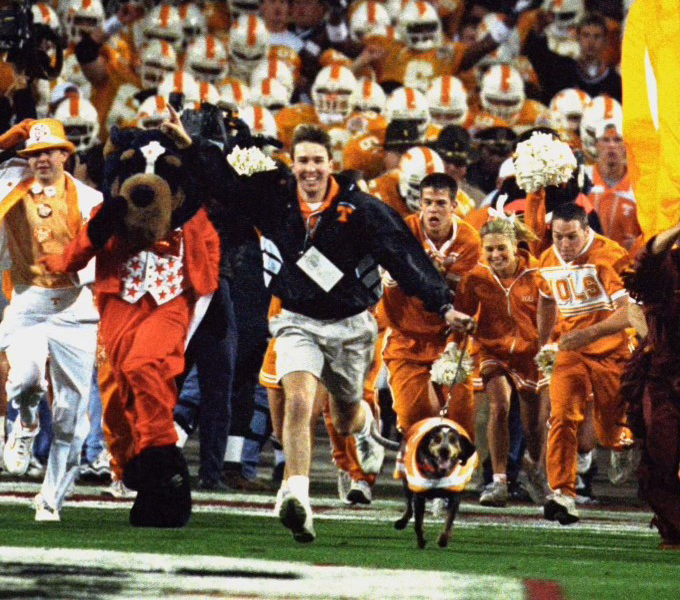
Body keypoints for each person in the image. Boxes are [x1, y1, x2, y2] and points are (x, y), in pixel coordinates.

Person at [183, 121, 473, 542]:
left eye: (317, 160)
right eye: (302, 160)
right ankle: (297, 497)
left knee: (345, 415)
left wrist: (443, 305)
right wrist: (189, 145)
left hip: (350, 326)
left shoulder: (361, 208)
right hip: (296, 320)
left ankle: (366, 427)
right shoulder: (275, 200)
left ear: (331, 163)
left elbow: (403, 256)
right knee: (299, 403)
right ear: (292, 164)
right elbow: (224, 185)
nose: (310, 169)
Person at [0, 118, 102, 521]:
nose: (41, 159)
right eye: (33, 153)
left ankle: (50, 499)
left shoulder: (90, 199)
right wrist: (7, 139)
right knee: (26, 380)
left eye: (48, 151)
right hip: (28, 301)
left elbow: (104, 259)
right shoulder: (6, 179)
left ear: (66, 153)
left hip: (75, 307)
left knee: (71, 418)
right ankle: (26, 424)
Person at [536, 202, 632, 525]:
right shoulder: (548, 259)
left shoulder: (610, 256)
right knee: (561, 415)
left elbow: (629, 313)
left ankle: (620, 442)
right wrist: (544, 343)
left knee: (609, 430)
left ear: (586, 231)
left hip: (611, 349)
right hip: (570, 351)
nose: (564, 245)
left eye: (571, 237)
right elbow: (546, 300)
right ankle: (562, 492)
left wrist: (587, 334)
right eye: (557, 237)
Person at [453, 217, 549, 506]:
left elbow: (551, 318)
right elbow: (459, 316)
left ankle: (535, 467)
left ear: (515, 246)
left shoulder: (538, 274)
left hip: (530, 356)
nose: (495, 255)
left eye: (501, 249)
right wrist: (453, 347)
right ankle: (498, 481)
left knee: (533, 427)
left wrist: (548, 348)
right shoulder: (476, 277)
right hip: (491, 351)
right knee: (499, 406)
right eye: (489, 249)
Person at [382, 172, 482, 443]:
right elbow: (392, 285)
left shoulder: (469, 242)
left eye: (440, 203)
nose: (433, 210)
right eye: (427, 203)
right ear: (420, 205)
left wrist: (454, 343)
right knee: (413, 417)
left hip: (447, 338)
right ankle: (412, 466)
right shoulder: (403, 232)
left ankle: (456, 469)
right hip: (407, 337)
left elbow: (464, 301)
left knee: (460, 418)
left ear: (454, 206)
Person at [623, 193, 680, 548]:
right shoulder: (665, 269)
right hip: (664, 373)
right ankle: (672, 528)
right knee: (659, 453)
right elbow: (648, 258)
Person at [524, 13, 623, 103]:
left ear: (605, 40)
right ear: (577, 37)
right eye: (586, 35)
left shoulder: (615, 83)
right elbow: (537, 55)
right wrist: (539, 29)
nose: (591, 42)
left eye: (597, 36)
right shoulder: (562, 69)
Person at [586, 120, 642, 252]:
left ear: (626, 145)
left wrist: (639, 244)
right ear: (596, 144)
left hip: (626, 261)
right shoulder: (583, 179)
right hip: (587, 260)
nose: (611, 145)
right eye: (605, 140)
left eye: (617, 140)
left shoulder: (640, 183)